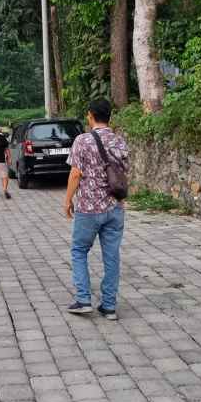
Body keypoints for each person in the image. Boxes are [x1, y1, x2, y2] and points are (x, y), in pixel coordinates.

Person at [64, 98, 129, 320]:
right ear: (109, 116)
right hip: (115, 207)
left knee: (79, 250)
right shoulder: (119, 141)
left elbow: (75, 173)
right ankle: (109, 306)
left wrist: (67, 200)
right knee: (111, 256)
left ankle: (83, 300)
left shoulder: (82, 141)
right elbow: (123, 172)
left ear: (90, 115)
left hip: (89, 208)